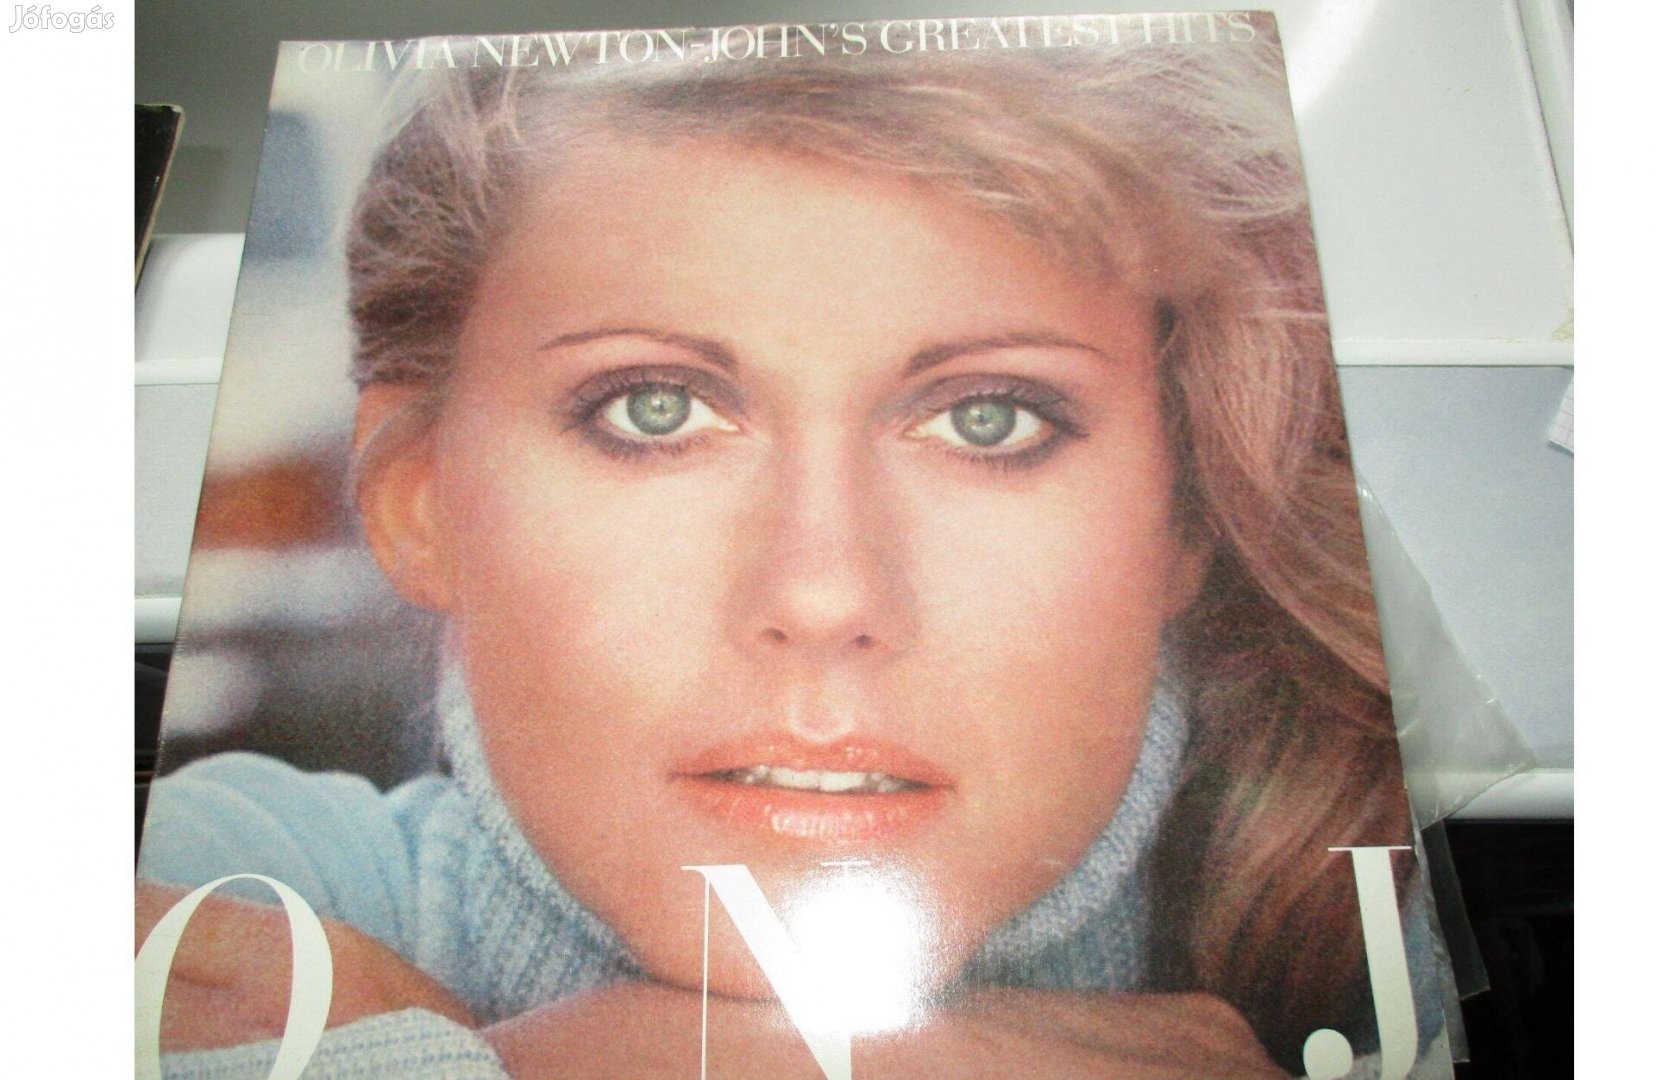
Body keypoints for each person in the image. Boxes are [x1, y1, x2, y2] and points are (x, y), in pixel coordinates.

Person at [138, 26, 1441, 1079]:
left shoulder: (1422, 921)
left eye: (990, 418)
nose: (823, 594)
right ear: (420, 501)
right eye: (655, 408)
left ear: (1187, 514)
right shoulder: (208, 889)